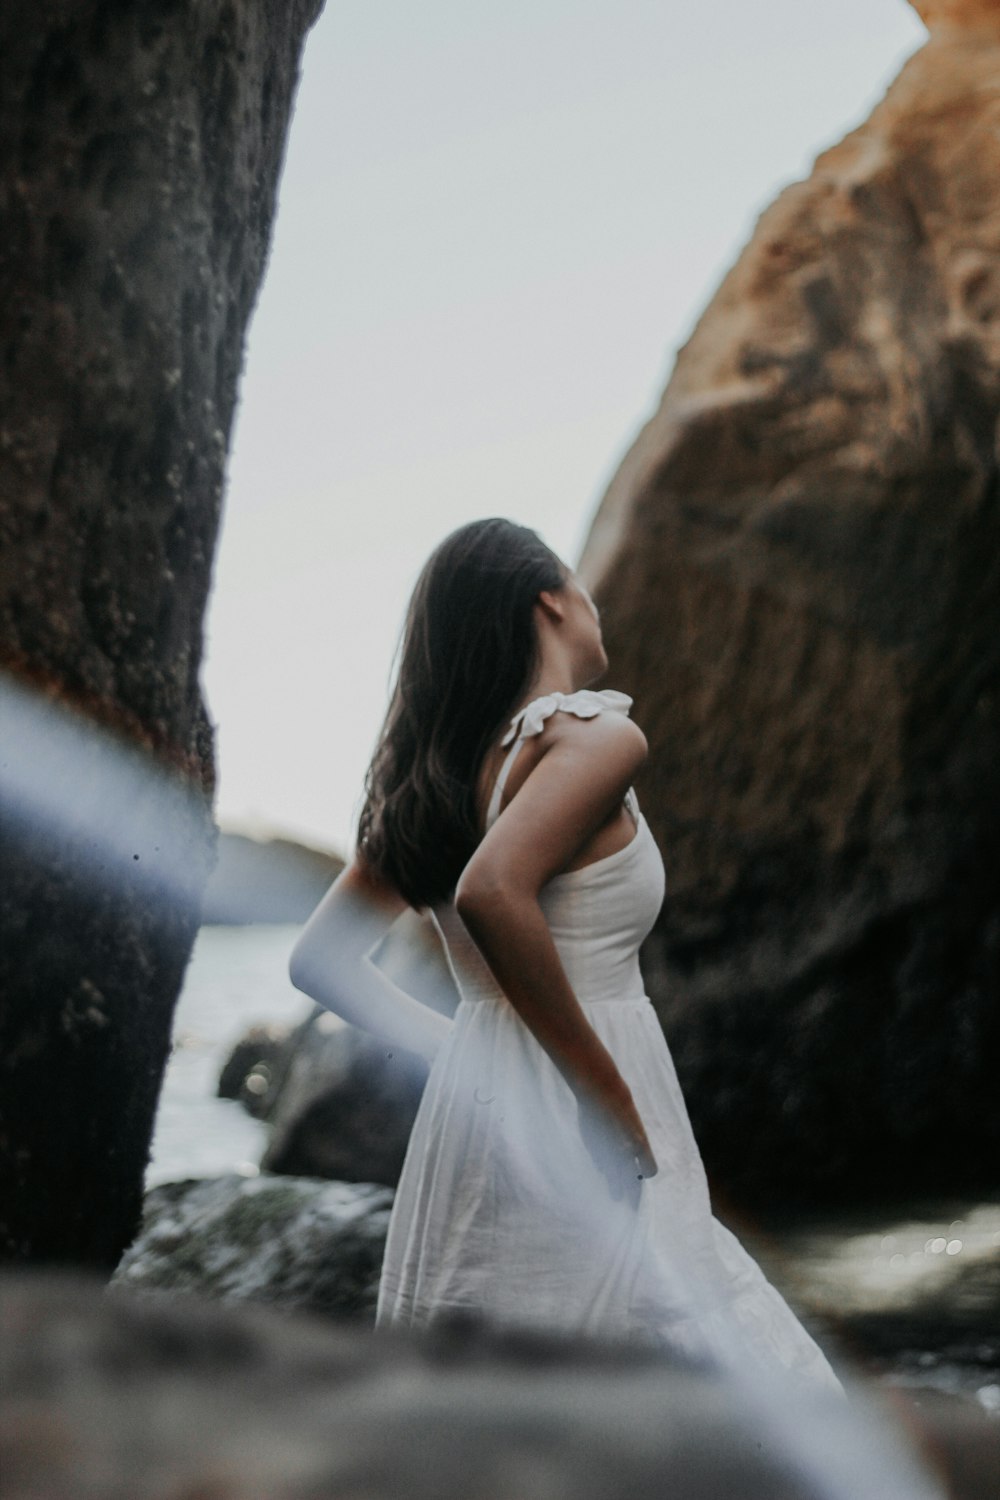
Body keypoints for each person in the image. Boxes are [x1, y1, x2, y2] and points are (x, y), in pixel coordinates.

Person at [289, 517, 842, 1393]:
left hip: (480, 1100)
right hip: (588, 1084)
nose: (594, 604)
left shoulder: (432, 780)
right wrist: (604, 1093)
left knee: (495, 1376)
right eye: (580, 584)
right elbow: (492, 891)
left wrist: (459, 1043)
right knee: (710, 1374)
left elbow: (317, 963)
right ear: (549, 597)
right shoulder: (595, 738)